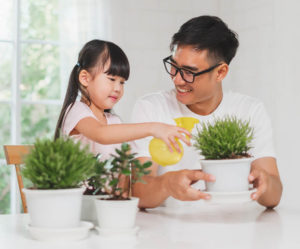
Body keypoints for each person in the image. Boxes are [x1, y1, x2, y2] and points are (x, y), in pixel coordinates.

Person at [131, 16, 282, 209]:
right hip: (169, 232)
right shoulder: (151, 108)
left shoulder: (250, 110)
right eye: (174, 66)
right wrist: (167, 184)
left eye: (189, 72)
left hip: (237, 225)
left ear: (220, 72)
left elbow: (274, 196)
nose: (177, 80)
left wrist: (266, 184)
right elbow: (138, 193)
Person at [54, 39, 191, 161]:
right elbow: (101, 134)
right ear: (85, 78)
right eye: (112, 79)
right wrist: (154, 127)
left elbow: (124, 162)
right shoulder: (76, 110)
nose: (118, 88)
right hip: (78, 191)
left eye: (122, 82)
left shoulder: (115, 122)